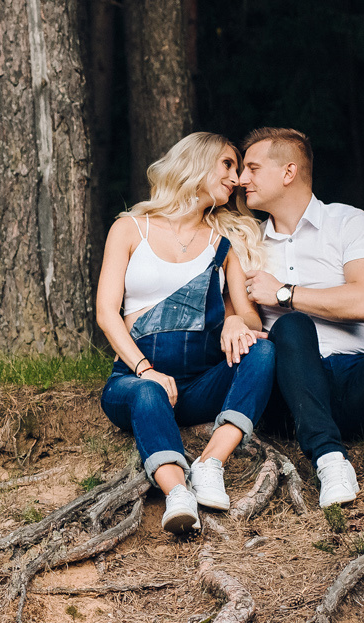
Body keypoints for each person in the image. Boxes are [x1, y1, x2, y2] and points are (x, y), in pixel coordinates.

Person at [236, 127, 364, 506]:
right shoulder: (246, 242)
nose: (241, 179)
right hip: (293, 394)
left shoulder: (348, 221)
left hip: (361, 385)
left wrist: (285, 294)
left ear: (288, 172)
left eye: (253, 168)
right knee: (291, 325)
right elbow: (239, 318)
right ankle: (330, 461)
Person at [96, 133, 277, 533]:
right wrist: (146, 370)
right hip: (134, 380)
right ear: (197, 162)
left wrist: (236, 321)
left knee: (264, 352)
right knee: (149, 392)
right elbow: (106, 314)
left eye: (238, 169)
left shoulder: (223, 244)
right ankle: (177, 493)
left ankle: (211, 463)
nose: (237, 178)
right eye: (227, 164)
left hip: (199, 386)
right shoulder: (129, 229)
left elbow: (251, 319)